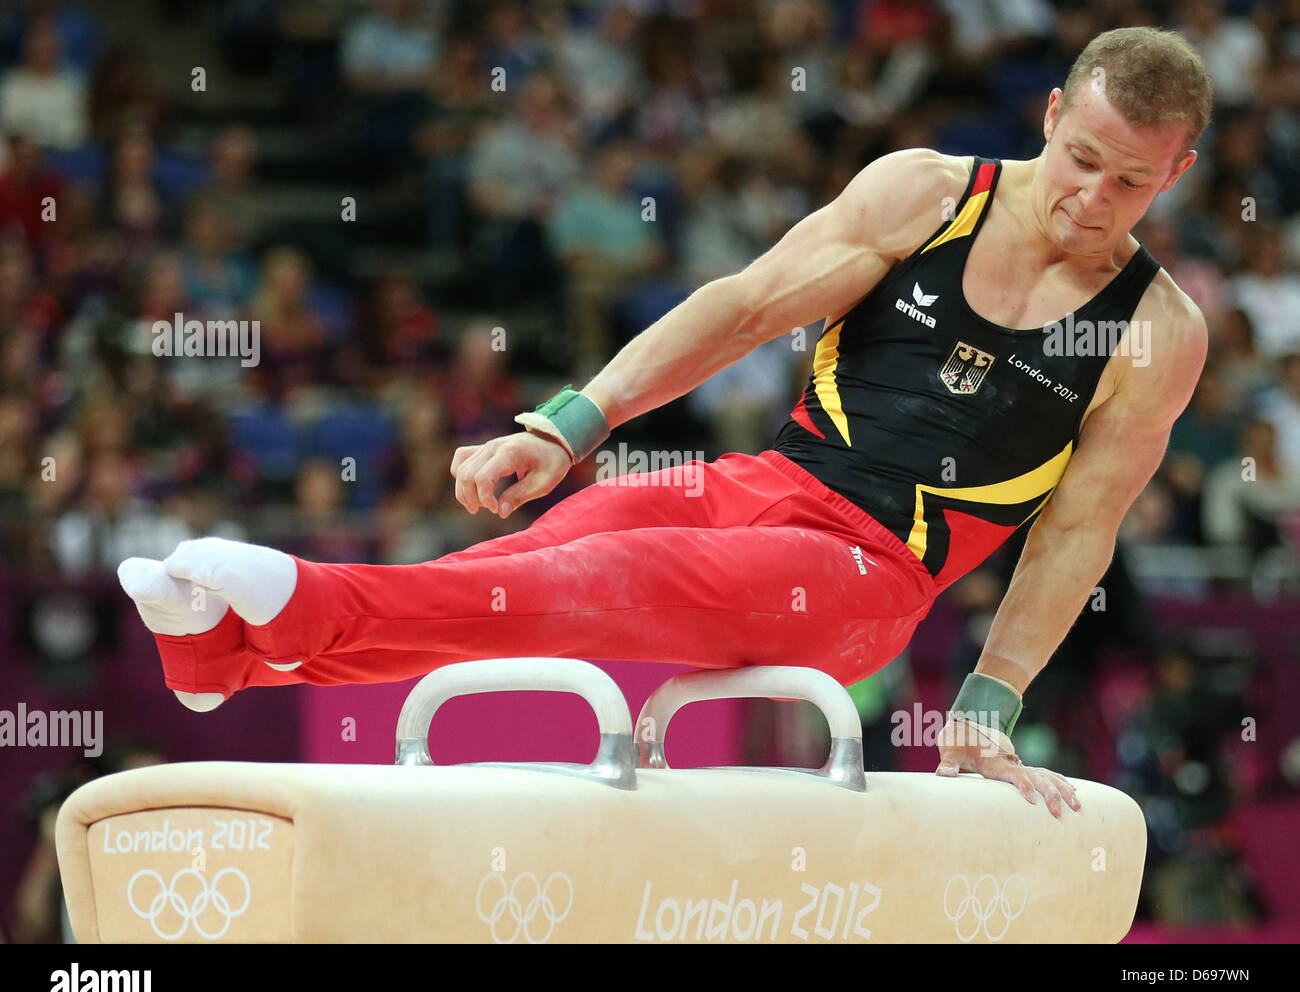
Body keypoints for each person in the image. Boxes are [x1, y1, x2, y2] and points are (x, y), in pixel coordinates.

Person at [119, 28, 1212, 821]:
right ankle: (229, 663)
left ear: (1177, 173)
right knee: (543, 553)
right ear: (1052, 114)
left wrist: (988, 699)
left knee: (584, 583)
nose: (1092, 197)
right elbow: (740, 307)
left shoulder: (1154, 329)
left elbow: (1079, 528)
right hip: (759, 487)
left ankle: (304, 599)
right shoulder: (925, 195)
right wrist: (565, 423)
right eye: (1082, 158)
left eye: (1130, 182)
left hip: (868, 578)